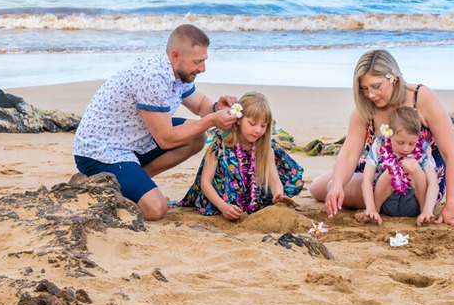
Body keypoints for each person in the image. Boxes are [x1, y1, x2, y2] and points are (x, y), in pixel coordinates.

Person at [73, 24, 238, 221]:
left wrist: (216, 107)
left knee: (196, 138)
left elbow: (201, 104)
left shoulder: (178, 73)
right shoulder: (152, 77)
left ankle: (136, 181)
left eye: (204, 60)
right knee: (156, 209)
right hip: (102, 150)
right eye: (198, 61)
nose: (202, 68)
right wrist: (212, 120)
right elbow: (166, 140)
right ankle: (104, 189)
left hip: (135, 139)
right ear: (175, 55)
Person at [309, 49, 454, 227]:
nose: (371, 95)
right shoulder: (365, 109)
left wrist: (452, 205)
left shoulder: (422, 98)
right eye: (364, 89)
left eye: (376, 86)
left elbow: (452, 154)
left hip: (421, 177)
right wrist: (338, 185)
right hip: (379, 168)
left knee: (332, 185)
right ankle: (343, 183)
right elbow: (349, 153)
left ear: (394, 77)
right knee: (320, 188)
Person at [177, 91, 305, 218]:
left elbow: (274, 180)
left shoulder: (266, 149)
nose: (258, 130)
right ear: (238, 120)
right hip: (221, 198)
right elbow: (205, 182)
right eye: (252, 124)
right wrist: (223, 207)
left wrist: (278, 195)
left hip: (251, 198)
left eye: (263, 126)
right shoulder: (220, 146)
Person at [356, 105, 439, 226]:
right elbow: (367, 180)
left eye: (412, 143)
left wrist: (428, 209)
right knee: (393, 169)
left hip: (413, 203)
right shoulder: (379, 145)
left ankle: (423, 214)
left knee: (410, 165)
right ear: (390, 134)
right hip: (386, 201)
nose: (406, 149)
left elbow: (433, 182)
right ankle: (374, 213)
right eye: (400, 142)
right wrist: (371, 207)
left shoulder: (424, 148)